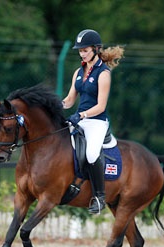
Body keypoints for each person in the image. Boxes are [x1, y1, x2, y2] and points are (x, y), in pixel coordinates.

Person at [62, 29, 124, 214]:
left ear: (96, 49)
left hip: (96, 121)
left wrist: (81, 115)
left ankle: (99, 197)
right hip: (80, 119)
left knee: (90, 154)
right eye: (80, 51)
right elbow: (70, 99)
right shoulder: (78, 72)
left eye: (85, 50)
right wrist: (56, 105)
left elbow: (101, 106)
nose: (82, 53)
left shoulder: (103, 73)